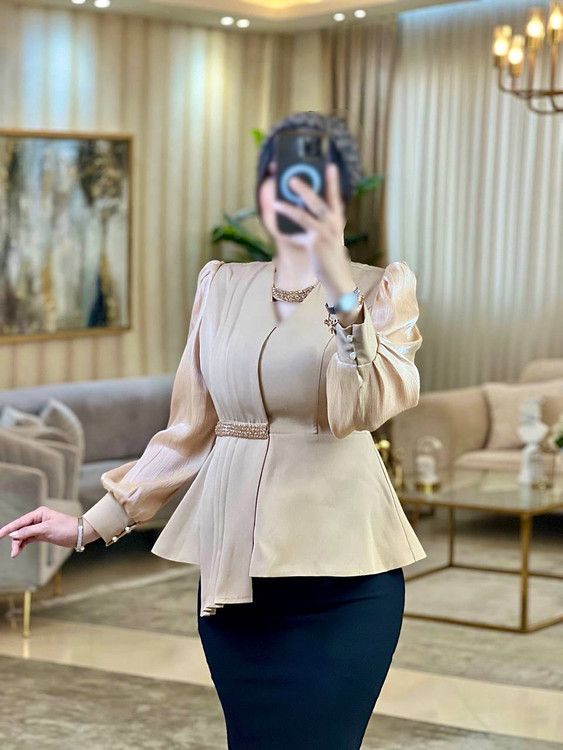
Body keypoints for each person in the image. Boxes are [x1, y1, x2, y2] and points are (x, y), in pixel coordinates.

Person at [0, 111, 427, 749]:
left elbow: (361, 407)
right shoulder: (221, 285)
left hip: (347, 580)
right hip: (237, 577)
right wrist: (90, 525)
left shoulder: (382, 290)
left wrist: (340, 289)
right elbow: (190, 429)